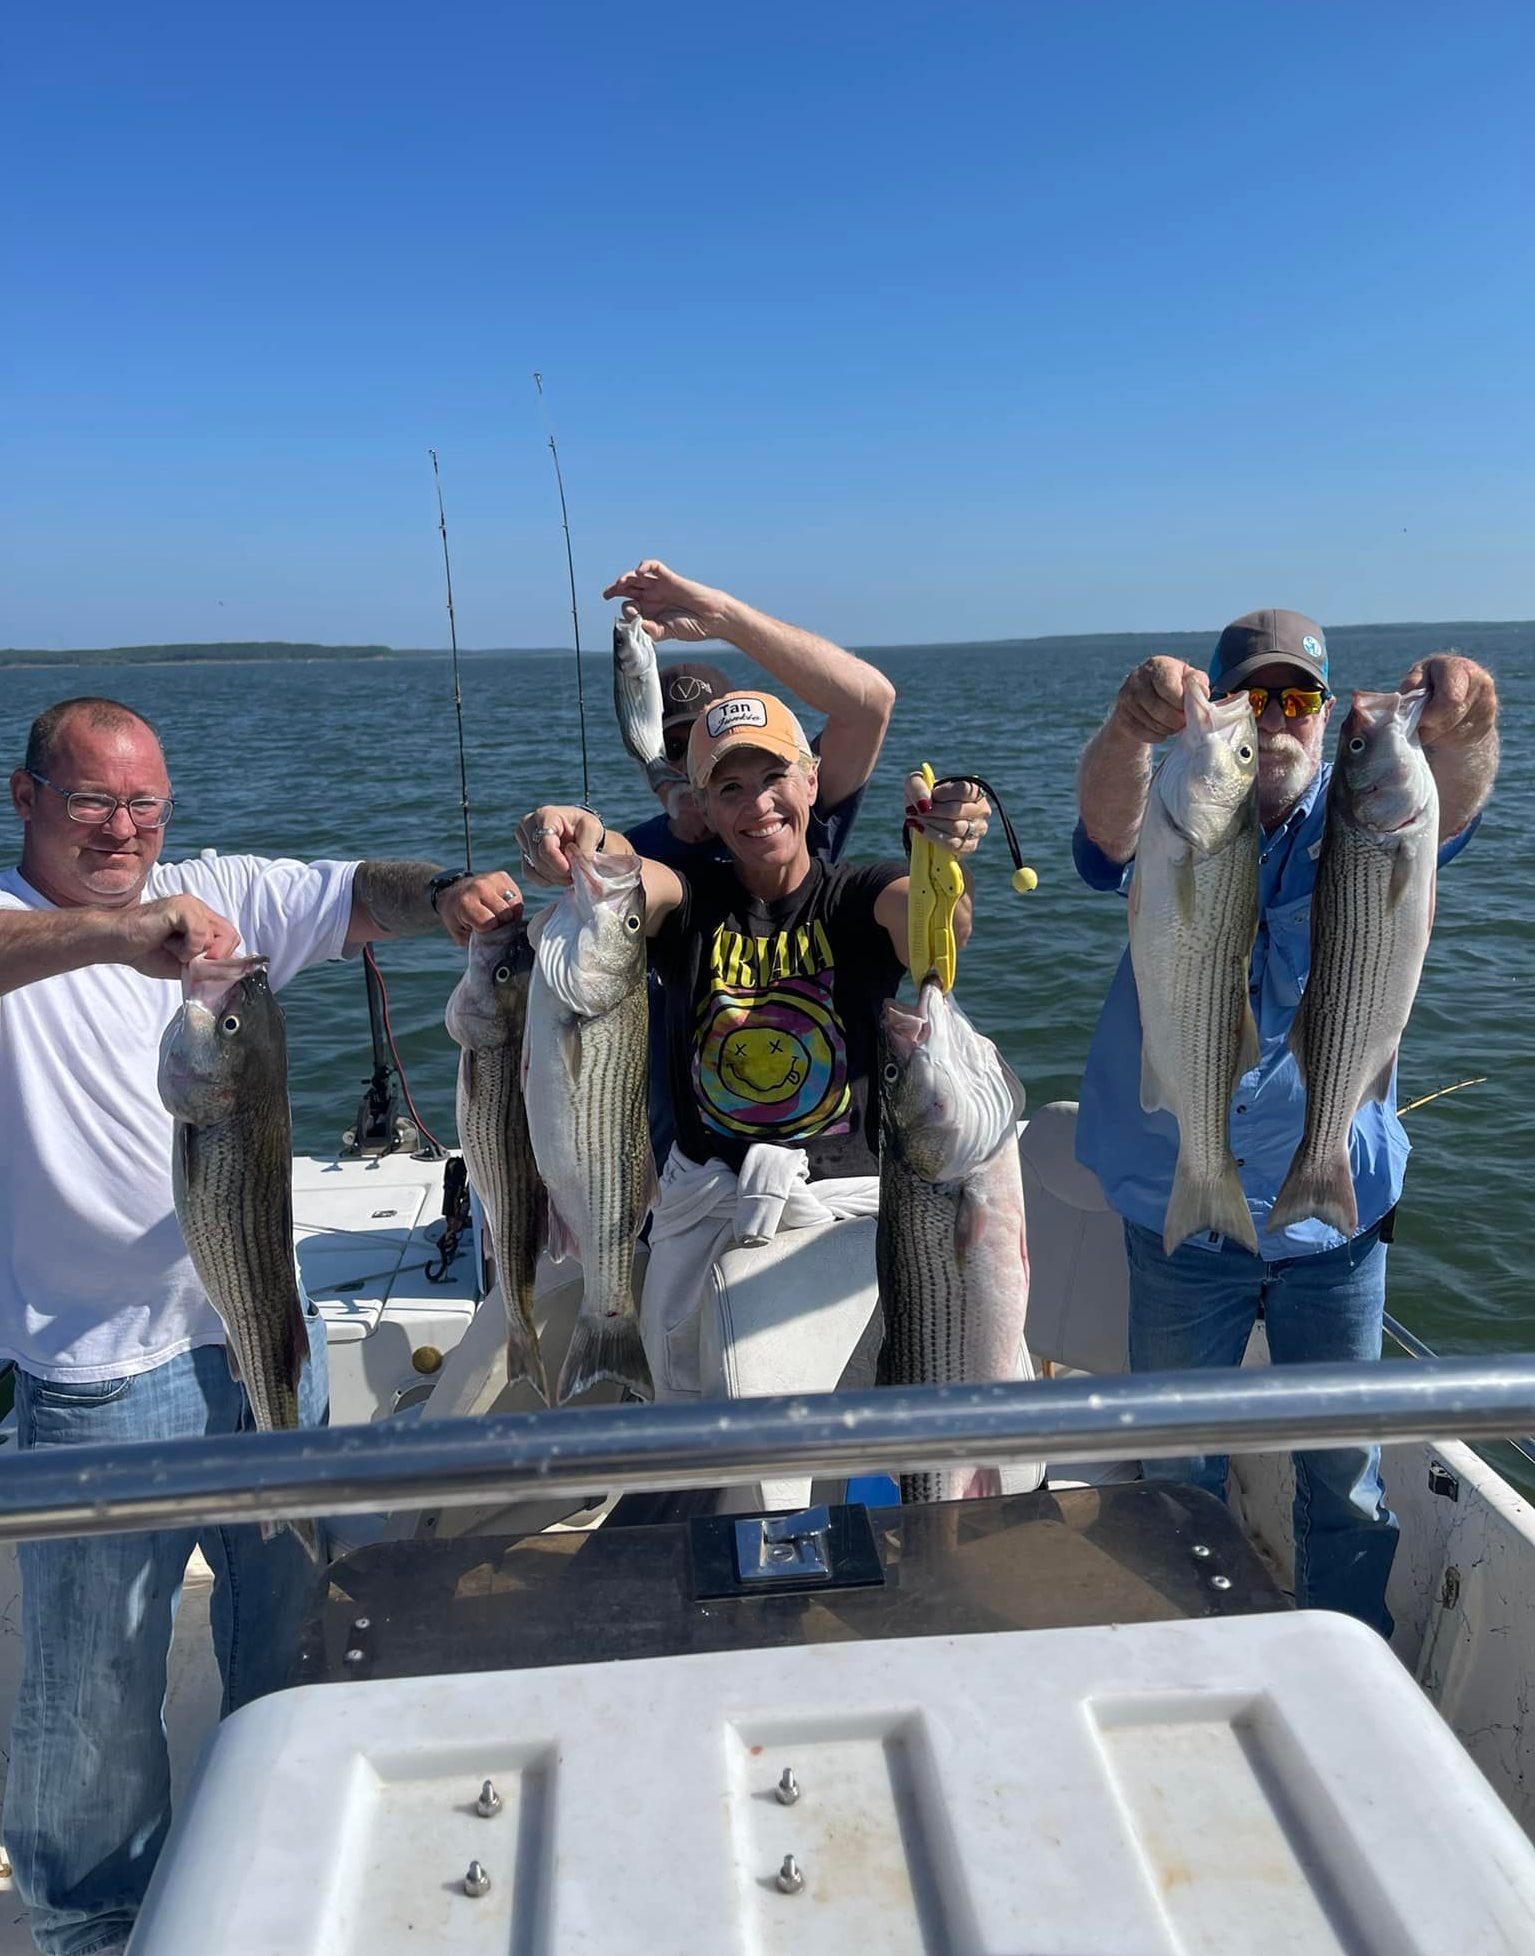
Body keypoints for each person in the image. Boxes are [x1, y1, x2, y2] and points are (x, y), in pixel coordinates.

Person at [0, 696, 525, 1956]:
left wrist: (457, 895)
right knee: (94, 1692)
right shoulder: (29, 928)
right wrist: (117, 936)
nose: (125, 831)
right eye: (92, 804)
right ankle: (88, 1932)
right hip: (91, 1375)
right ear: (25, 799)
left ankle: (277, 1833)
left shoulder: (211, 902)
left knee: (288, 1604)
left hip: (262, 1339)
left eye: (147, 808)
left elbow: (362, 894)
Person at [1072, 609, 1500, 1635]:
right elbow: (1105, 836)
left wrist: (1473, 714)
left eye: (1297, 698)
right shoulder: (1182, 796)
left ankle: (1345, 1655)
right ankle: (1186, 1641)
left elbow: (1462, 786)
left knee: (1345, 1475)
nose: (1274, 719)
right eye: (1252, 696)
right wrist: (1131, 731)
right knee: (1176, 1462)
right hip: (1181, 1203)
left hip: (1336, 1217)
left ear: (1321, 713)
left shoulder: (1364, 810)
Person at [518, 689, 990, 1401]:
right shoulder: (691, 900)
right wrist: (590, 838)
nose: (757, 803)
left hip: (842, 1209)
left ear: (811, 780)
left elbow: (940, 930)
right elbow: (632, 881)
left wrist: (937, 860)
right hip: (709, 1211)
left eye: (774, 778)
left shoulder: (858, 895)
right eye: (729, 789)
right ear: (704, 811)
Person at [601, 560, 897, 1164]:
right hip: (666, 1152)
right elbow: (601, 864)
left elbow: (870, 704)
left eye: (753, 769)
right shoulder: (641, 852)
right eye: (673, 749)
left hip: (816, 1155)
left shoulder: (789, 826)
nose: (752, 799)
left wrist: (723, 616)